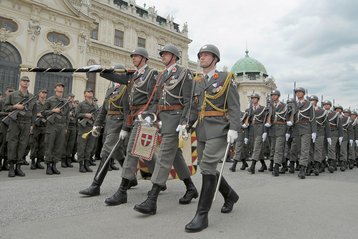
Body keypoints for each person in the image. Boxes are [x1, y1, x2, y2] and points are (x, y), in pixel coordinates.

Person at [133, 44, 198, 215]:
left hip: (176, 119)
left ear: (174, 56)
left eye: (166, 54)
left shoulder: (184, 73)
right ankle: (190, 188)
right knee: (174, 155)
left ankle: (152, 199)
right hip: (163, 119)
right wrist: (150, 115)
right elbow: (155, 100)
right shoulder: (162, 75)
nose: (162, 56)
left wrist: (185, 122)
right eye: (162, 54)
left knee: (163, 157)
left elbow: (189, 101)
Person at [185, 44, 240, 232]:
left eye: (206, 55)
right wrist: (186, 125)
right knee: (205, 166)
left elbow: (234, 106)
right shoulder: (197, 81)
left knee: (208, 166)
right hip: (201, 129)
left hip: (219, 128)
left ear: (215, 59)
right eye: (200, 55)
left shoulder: (226, 78)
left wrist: (234, 128)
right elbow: (194, 107)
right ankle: (230, 195)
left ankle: (202, 215)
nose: (202, 58)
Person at [79, 81, 130, 196]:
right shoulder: (110, 90)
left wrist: (125, 128)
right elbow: (103, 110)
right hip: (109, 125)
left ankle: (95, 185)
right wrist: (97, 124)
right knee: (117, 153)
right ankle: (132, 180)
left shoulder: (126, 89)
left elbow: (128, 111)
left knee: (106, 152)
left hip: (118, 125)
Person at [3, 76, 36, 177]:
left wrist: (32, 125)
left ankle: (18, 166)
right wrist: (15, 106)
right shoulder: (13, 95)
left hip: (26, 123)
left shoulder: (31, 96)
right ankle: (11, 167)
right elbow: (5, 107)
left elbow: (34, 112)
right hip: (15, 122)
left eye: (27, 81)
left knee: (23, 144)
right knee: (13, 143)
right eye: (24, 81)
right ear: (20, 82)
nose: (25, 83)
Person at [43, 82, 69, 175]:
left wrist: (66, 127)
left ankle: (54, 165)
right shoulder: (50, 100)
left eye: (62, 87)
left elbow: (67, 116)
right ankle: (48, 166)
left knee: (58, 146)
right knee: (50, 145)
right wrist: (53, 110)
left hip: (61, 126)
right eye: (58, 86)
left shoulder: (66, 101)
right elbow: (43, 112)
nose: (61, 88)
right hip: (52, 125)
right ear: (55, 89)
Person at [291, 87, 317, 179]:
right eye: (296, 92)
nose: (298, 93)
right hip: (296, 128)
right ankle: (310, 165)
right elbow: (291, 116)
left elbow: (313, 118)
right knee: (299, 149)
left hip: (306, 128)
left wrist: (314, 131)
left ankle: (302, 170)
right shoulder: (294, 104)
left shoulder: (309, 104)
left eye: (300, 92)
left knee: (305, 149)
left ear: (303, 93)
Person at [264, 90, 290, 176]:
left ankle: (276, 167)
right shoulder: (269, 106)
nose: (273, 97)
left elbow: (288, 118)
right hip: (272, 129)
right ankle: (284, 164)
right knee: (274, 149)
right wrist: (265, 130)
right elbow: (266, 117)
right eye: (272, 95)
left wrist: (288, 131)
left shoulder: (284, 106)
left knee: (278, 148)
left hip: (281, 128)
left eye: (275, 95)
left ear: (278, 96)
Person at [75, 88, 99, 173]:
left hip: (92, 127)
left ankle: (86, 163)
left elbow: (97, 115)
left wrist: (94, 118)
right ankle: (81, 165)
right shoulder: (81, 104)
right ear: (85, 94)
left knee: (89, 147)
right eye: (88, 92)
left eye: (91, 91)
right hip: (83, 128)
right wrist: (85, 115)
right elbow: (76, 114)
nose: (90, 93)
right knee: (82, 146)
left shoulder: (95, 105)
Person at [307, 95, 331, 176]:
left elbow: (326, 124)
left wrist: (328, 136)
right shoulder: (306, 109)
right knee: (309, 149)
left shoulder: (322, 111)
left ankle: (317, 166)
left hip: (319, 132)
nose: (311, 102)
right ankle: (310, 166)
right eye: (310, 100)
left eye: (313, 100)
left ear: (316, 101)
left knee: (318, 149)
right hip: (309, 132)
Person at [246, 93, 269, 174]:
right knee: (256, 148)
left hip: (260, 128)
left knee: (256, 147)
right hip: (252, 129)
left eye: (255, 98)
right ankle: (263, 164)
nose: (253, 100)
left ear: (258, 99)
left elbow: (265, 120)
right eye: (252, 98)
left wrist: (265, 131)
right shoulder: (249, 109)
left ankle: (252, 166)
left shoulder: (263, 109)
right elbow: (247, 121)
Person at [30, 89, 48, 170]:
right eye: (42, 93)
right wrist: (37, 115)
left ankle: (38, 162)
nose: (44, 94)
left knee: (42, 145)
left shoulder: (47, 104)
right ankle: (33, 162)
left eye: (45, 93)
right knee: (34, 144)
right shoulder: (35, 103)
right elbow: (30, 113)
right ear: (39, 94)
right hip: (36, 126)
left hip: (44, 126)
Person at [0, 86, 15, 171]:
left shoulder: (15, 103)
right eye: (9, 91)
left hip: (12, 125)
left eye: (12, 91)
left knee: (9, 145)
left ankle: (6, 163)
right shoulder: (1, 101)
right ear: (6, 92)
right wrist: (5, 113)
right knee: (2, 144)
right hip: (3, 125)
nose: (11, 93)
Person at [63, 93, 76, 168]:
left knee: (71, 144)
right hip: (67, 126)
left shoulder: (74, 106)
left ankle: (68, 159)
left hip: (73, 126)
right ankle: (63, 159)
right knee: (65, 144)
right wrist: (69, 114)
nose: (72, 99)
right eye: (71, 97)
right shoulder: (65, 105)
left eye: (73, 97)